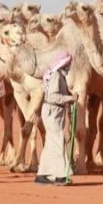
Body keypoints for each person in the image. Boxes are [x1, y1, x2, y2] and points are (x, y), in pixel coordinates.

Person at [35, 51, 77, 186]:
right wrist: (70, 98)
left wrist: (68, 95)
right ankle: (60, 176)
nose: (69, 66)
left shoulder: (58, 75)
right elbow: (53, 96)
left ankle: (43, 174)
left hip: (54, 112)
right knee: (59, 142)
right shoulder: (57, 76)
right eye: (68, 63)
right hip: (53, 111)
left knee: (50, 144)